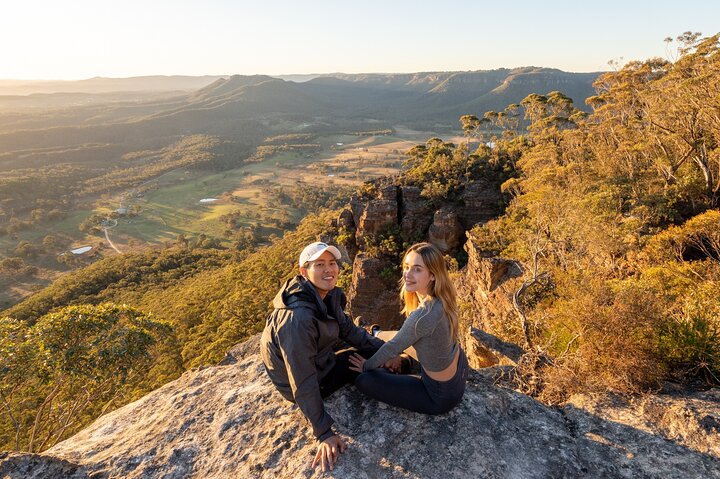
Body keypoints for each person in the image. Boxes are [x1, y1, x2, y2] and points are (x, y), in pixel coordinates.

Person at [260, 241, 393, 472]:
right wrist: (323, 432)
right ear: (304, 271)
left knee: (370, 352)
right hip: (302, 383)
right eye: (319, 264)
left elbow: (349, 331)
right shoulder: (297, 319)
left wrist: (388, 351)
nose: (328, 269)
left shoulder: (323, 295)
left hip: (320, 358)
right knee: (359, 362)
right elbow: (302, 379)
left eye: (332, 263)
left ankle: (395, 361)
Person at [349, 242, 469, 414]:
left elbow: (392, 347)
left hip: (439, 396)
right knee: (404, 338)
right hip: (459, 369)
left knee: (364, 381)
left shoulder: (423, 316)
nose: (408, 274)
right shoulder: (442, 299)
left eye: (417, 269)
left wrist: (366, 367)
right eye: (407, 267)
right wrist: (380, 336)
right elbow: (405, 338)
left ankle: (399, 357)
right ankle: (381, 337)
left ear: (433, 275)